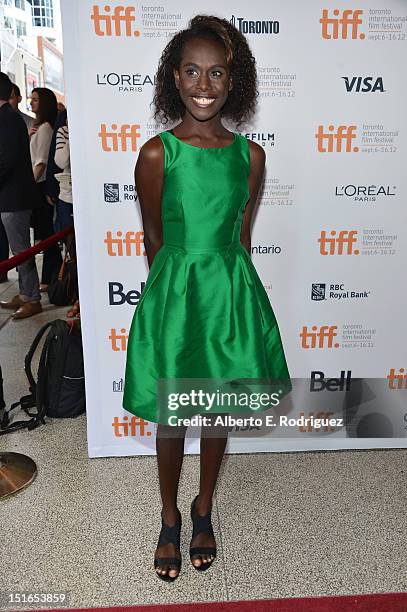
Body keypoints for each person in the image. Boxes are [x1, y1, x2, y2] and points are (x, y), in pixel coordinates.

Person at [122, 15, 291, 581]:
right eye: (192, 71)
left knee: (217, 409)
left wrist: (230, 296)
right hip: (176, 297)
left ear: (232, 80)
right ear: (174, 76)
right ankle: (169, 516)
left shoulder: (251, 157)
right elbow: (153, 238)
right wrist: (171, 296)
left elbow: (241, 239)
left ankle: (203, 508)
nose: (203, 84)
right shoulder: (155, 153)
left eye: (216, 72)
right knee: (172, 419)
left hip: (228, 295)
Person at [0, 72, 42, 319]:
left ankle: (32, 297)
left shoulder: (7, 119)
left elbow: (7, 160)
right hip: (10, 195)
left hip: (13, 197)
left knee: (21, 249)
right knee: (19, 249)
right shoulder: (8, 118)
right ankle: (26, 293)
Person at [29, 87, 62, 291]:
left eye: (35, 100)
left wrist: (29, 186)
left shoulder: (45, 129)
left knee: (47, 235)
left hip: (41, 187)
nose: (31, 103)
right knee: (46, 235)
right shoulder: (40, 128)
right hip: (39, 186)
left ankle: (50, 278)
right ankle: (49, 277)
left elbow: (40, 164)